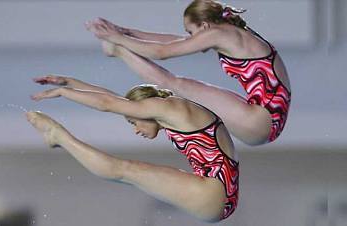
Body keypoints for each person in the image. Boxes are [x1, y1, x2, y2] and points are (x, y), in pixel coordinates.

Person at [27, 76, 239, 221]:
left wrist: (64, 91)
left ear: (144, 109)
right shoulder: (170, 109)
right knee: (128, 172)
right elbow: (112, 98)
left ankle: (58, 136)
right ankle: (58, 136)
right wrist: (71, 82)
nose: (136, 130)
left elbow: (107, 103)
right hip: (220, 194)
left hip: (212, 193)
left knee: (125, 170)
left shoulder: (166, 107)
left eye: (133, 122)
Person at [86, 0, 291, 145]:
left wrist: (118, 40)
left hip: (259, 121)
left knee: (174, 84)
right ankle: (118, 47)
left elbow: (162, 52)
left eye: (191, 31)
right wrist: (125, 32)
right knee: (178, 84)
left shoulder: (218, 33)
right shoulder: (232, 32)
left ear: (204, 25)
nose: (190, 37)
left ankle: (118, 51)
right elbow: (174, 41)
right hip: (266, 120)